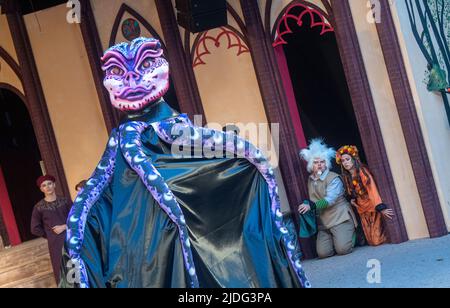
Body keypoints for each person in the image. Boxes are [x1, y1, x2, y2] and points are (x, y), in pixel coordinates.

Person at [59, 37, 309, 288]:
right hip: (145, 255)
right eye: (117, 71)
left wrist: (250, 163)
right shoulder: (122, 146)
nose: (133, 80)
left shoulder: (183, 136)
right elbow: (94, 208)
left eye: (145, 64)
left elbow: (216, 173)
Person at [298, 139, 357, 259]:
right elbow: (314, 198)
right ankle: (336, 238)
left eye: (322, 162)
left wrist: (311, 206)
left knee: (343, 250)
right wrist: (306, 204)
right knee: (323, 253)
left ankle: (355, 234)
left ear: (326, 164)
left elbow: (330, 199)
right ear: (311, 165)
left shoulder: (333, 178)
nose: (319, 164)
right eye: (316, 162)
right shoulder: (311, 179)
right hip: (324, 222)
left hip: (340, 217)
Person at [336, 145, 394, 246]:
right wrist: (352, 199)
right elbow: (350, 192)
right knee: (371, 241)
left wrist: (380, 207)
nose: (345, 162)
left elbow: (372, 189)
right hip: (362, 209)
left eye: (347, 159)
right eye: (343, 160)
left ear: (353, 159)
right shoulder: (346, 176)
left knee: (376, 241)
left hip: (372, 206)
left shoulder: (362, 171)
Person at [31, 175, 72, 284]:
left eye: (49, 184)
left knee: (75, 265)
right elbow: (34, 228)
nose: (47, 187)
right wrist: (49, 235)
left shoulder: (65, 201)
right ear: (41, 189)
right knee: (61, 269)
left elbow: (76, 218)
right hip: (55, 244)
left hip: (71, 238)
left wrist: (64, 226)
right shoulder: (39, 207)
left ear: (54, 185)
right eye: (44, 185)